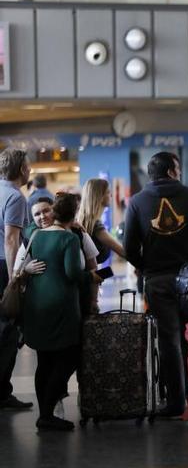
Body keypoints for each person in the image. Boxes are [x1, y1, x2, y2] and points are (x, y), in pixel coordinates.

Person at [123, 151, 188, 417]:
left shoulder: (137, 202)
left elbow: (129, 247)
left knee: (169, 341)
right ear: (173, 171)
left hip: (157, 280)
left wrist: (146, 265)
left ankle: (176, 402)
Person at [19, 193, 101, 431]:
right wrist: (92, 276)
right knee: (69, 358)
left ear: (53, 212)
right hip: (61, 307)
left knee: (44, 362)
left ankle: (45, 413)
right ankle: (46, 413)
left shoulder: (34, 234)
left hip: (37, 305)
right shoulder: (69, 238)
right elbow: (73, 273)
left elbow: (30, 236)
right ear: (74, 216)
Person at [0, 148, 32, 411]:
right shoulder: (15, 197)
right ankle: (2, 393)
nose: (30, 170)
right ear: (22, 169)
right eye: (28, 166)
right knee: (8, 332)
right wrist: (14, 278)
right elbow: (11, 239)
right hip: (3, 266)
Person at [77, 178, 126, 264]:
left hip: (88, 274)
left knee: (108, 273)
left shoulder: (84, 219)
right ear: (99, 196)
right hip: (90, 275)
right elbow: (122, 251)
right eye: (108, 192)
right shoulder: (95, 225)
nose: (111, 195)